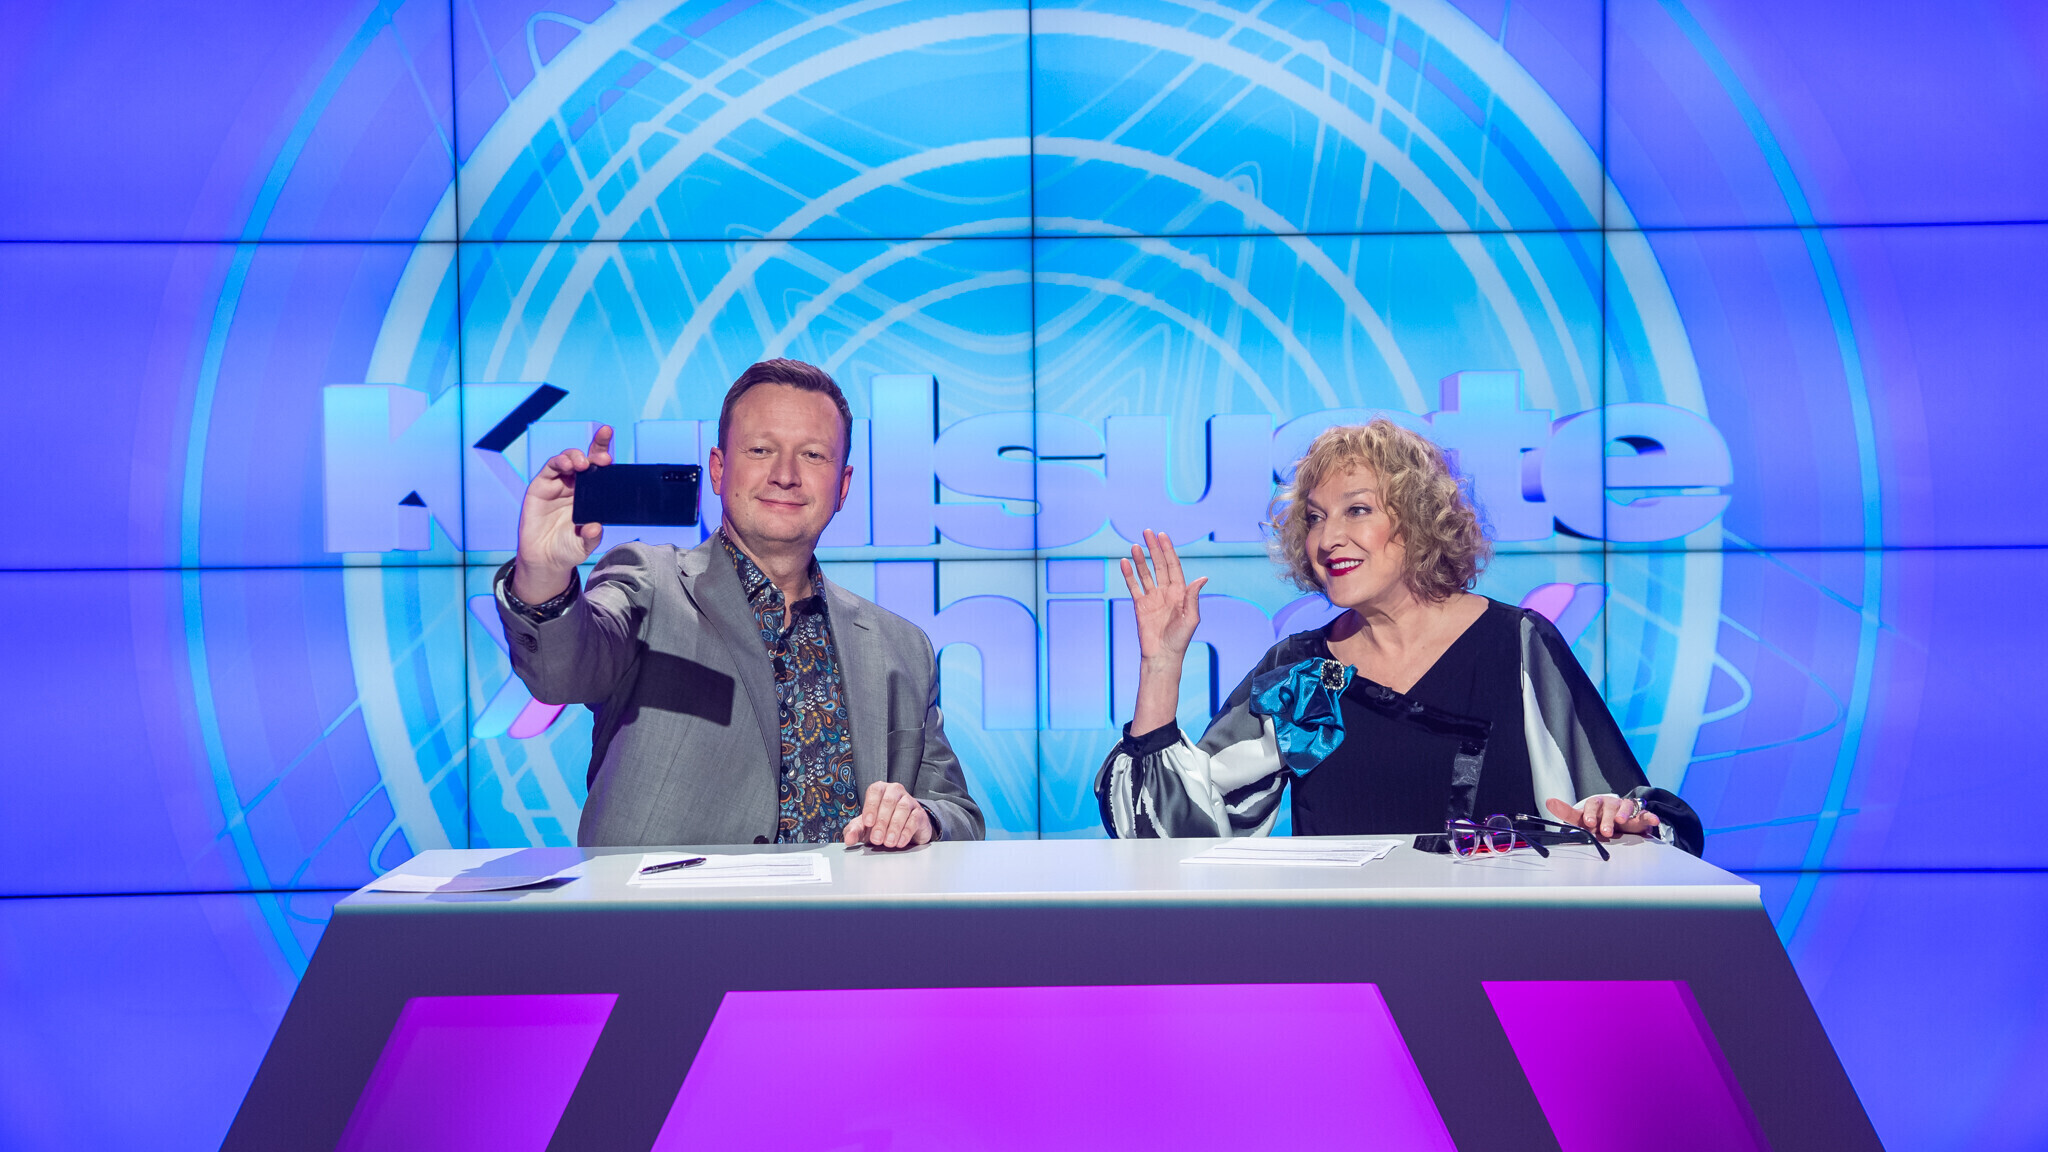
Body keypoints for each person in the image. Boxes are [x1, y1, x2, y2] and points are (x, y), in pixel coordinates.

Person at [1095, 418, 1703, 855]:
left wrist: (1617, 816)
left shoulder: (1513, 644)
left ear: (1417, 521)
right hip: (1348, 968)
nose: (1327, 539)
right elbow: (1173, 838)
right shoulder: (1306, 675)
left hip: (1501, 960)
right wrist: (1161, 664)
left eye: (1356, 510)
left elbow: (1632, 817)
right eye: (1315, 517)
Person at [498, 359, 984, 848]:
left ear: (842, 486)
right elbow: (561, 673)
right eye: (760, 450)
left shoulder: (900, 647)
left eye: (813, 455)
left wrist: (923, 818)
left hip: (850, 901)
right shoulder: (648, 583)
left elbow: (958, 813)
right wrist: (543, 572)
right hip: (671, 899)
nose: (785, 475)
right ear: (718, 468)